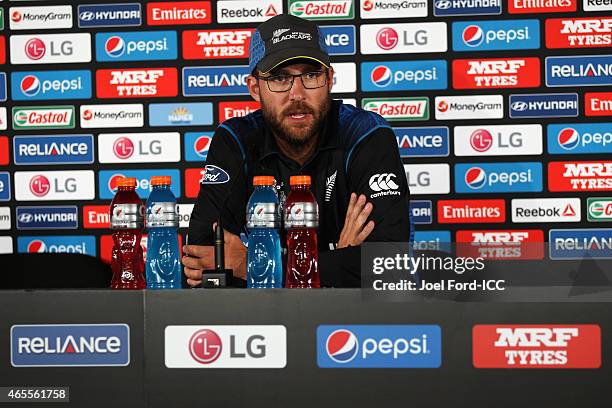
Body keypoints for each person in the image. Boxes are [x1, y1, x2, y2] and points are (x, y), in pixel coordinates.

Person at [183, 14, 411, 287]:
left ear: (329, 79)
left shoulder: (366, 135)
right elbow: (201, 259)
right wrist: (336, 261)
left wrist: (250, 264)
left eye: (311, 75)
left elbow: (390, 264)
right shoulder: (236, 140)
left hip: (353, 323)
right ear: (255, 88)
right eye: (280, 78)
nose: (298, 94)